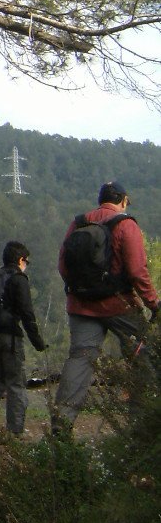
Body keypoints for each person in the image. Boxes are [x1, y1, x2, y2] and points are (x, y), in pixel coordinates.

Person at [52, 182, 159, 435]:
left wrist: (81, 290)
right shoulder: (126, 224)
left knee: (80, 359)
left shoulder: (78, 223)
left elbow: (62, 266)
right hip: (120, 306)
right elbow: (137, 271)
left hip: (80, 306)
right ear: (123, 200)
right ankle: (141, 427)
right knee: (142, 359)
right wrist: (153, 303)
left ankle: (62, 424)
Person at [0, 241, 47, 436]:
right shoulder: (19, 280)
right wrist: (38, 341)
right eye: (27, 262)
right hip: (8, 336)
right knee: (16, 383)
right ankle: (15, 432)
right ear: (21, 260)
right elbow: (27, 313)